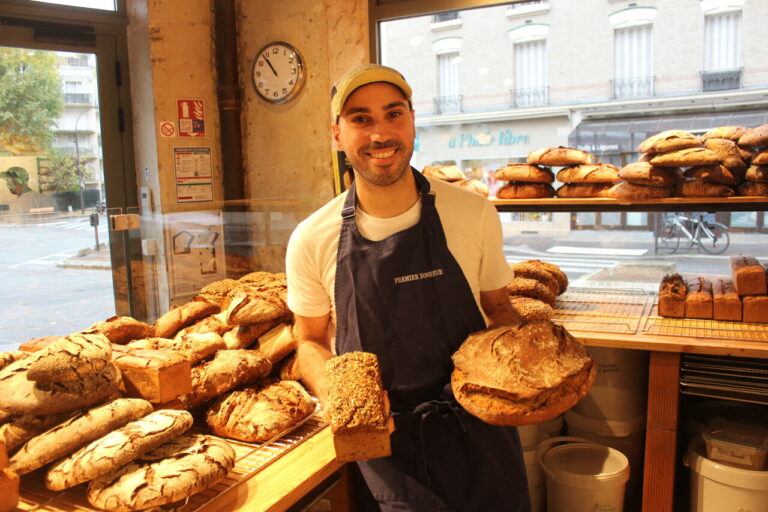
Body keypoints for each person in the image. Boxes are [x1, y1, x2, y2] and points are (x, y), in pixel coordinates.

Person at [285, 63, 530, 512]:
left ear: (413, 121)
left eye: (393, 114)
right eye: (361, 119)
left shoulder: (473, 213)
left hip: (481, 433)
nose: (380, 134)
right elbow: (311, 340)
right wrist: (340, 396)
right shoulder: (311, 237)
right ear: (337, 135)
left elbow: (498, 308)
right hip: (385, 447)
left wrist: (525, 369)